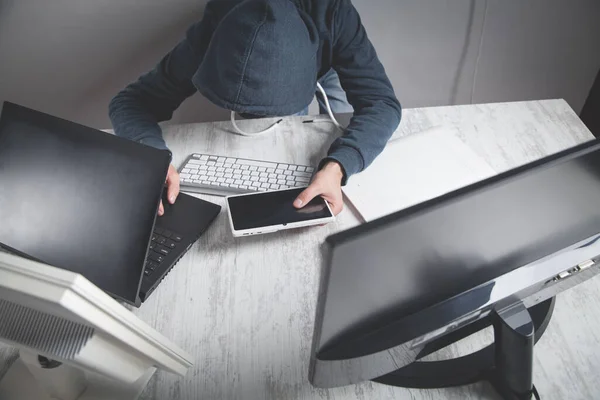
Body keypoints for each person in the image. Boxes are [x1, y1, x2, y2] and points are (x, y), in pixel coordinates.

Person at [109, 0, 401, 217]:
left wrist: (339, 166)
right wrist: (153, 159)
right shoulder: (213, 30)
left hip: (327, 51)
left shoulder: (336, 14)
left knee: (332, 122)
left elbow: (381, 103)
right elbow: (131, 102)